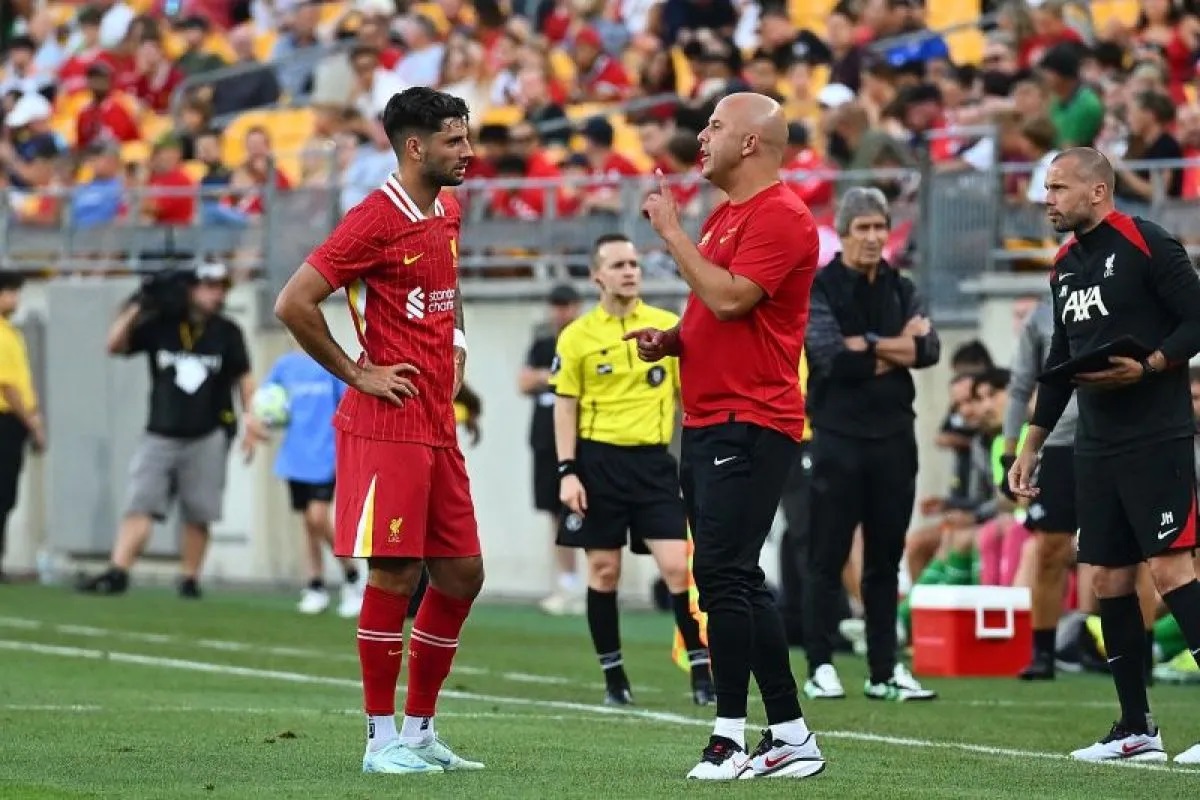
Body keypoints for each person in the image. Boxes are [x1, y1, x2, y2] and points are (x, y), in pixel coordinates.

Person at [273, 86, 484, 775]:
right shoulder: (373, 218)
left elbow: (445, 293)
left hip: (435, 421)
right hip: (386, 422)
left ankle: (420, 733)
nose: (468, 152)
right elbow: (294, 302)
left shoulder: (446, 210)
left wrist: (455, 339)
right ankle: (377, 740)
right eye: (455, 140)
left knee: (461, 574)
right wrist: (355, 373)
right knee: (396, 573)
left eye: (467, 136)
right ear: (415, 146)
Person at [631, 92, 825, 781]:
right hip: (712, 416)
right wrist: (673, 341)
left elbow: (733, 297)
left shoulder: (783, 216)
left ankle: (729, 736)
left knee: (720, 573)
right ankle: (792, 734)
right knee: (735, 575)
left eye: (715, 126)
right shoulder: (729, 214)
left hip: (753, 418)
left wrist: (671, 234)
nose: (701, 137)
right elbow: (710, 312)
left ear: (751, 143)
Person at [1009, 147, 1200, 764]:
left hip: (1158, 434)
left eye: (1059, 188)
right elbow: (1059, 364)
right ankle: (1137, 728)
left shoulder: (1148, 242)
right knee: (1107, 578)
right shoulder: (1064, 265)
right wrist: (1029, 446)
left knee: (1171, 571)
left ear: (1097, 192)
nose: (1049, 199)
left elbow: (1197, 318)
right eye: (1047, 188)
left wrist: (1150, 365)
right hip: (1095, 442)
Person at [551, 232, 714, 707]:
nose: (629, 271)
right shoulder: (577, 336)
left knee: (677, 569)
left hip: (653, 465)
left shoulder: (667, 326)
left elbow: (692, 395)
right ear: (596, 275)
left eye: (635, 264)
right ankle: (614, 679)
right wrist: (567, 471)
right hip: (598, 463)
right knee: (604, 571)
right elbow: (565, 407)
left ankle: (701, 674)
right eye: (618, 264)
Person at [801, 186, 940, 702]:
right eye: (863, 227)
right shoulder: (820, 288)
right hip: (837, 437)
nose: (873, 237)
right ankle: (820, 664)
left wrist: (872, 345)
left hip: (893, 438)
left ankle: (884, 670)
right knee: (827, 555)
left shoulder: (902, 286)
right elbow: (830, 356)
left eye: (880, 227)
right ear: (843, 232)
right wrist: (895, 345)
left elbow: (929, 350)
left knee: (886, 557)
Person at [78, 262, 263, 598]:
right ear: (190, 288)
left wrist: (252, 419)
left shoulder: (227, 331)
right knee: (141, 502)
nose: (216, 293)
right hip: (160, 432)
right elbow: (114, 344)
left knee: (200, 510)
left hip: (208, 432)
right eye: (209, 286)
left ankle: (189, 578)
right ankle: (118, 570)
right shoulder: (162, 325)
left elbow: (244, 378)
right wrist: (139, 304)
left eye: (221, 287)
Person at [1002, 298, 1080, 680]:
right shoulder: (1043, 313)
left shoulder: (1127, 285)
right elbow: (1020, 387)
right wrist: (1009, 453)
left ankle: (1141, 657)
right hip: (1060, 442)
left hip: (1119, 435)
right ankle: (1044, 654)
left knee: (1137, 556)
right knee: (1051, 550)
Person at [260, 342, 363, 617]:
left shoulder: (330, 361)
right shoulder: (284, 366)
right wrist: (262, 419)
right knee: (308, 523)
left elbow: (348, 406)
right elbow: (267, 400)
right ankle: (315, 585)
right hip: (295, 457)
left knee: (318, 517)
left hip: (326, 454)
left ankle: (353, 577)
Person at [517, 283, 583, 616]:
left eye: (567, 305)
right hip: (545, 439)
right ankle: (566, 581)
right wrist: (553, 376)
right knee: (554, 512)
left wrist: (549, 378)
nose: (561, 312)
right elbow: (524, 382)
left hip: (581, 439)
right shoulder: (543, 344)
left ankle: (582, 582)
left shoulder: (585, 340)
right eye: (556, 305)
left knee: (576, 510)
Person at [0, 272, 45, 581]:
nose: (15, 299)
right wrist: (32, 422)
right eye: (10, 292)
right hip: (5, 418)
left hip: (13, 420)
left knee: (6, 495)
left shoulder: (11, 333)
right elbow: (8, 386)